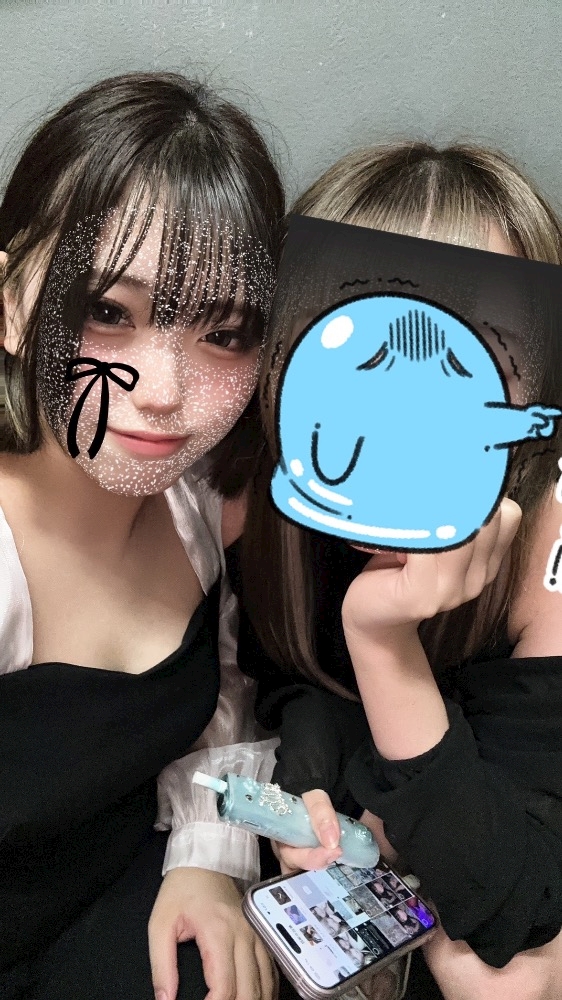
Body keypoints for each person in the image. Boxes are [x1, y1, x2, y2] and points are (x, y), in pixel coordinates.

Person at [225, 143, 562, 1000]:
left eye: (477, 349)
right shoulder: (289, 479)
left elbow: (515, 903)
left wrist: (382, 638)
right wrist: (309, 778)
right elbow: (287, 675)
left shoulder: (552, 528)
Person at [0, 71, 285, 1000]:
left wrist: (208, 858)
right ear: (9, 305)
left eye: (225, 333)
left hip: (121, 883)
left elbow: (222, 705)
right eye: (108, 312)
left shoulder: (198, 507)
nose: (162, 392)